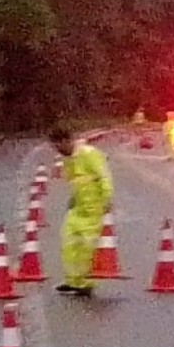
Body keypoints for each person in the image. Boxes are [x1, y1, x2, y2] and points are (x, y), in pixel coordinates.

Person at [49, 127, 113, 298]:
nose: (57, 150)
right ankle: (73, 281)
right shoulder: (68, 158)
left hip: (93, 207)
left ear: (66, 141)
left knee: (87, 247)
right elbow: (75, 180)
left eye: (58, 146)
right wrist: (73, 197)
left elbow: (104, 176)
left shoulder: (89, 154)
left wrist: (107, 199)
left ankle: (85, 283)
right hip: (78, 207)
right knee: (69, 243)